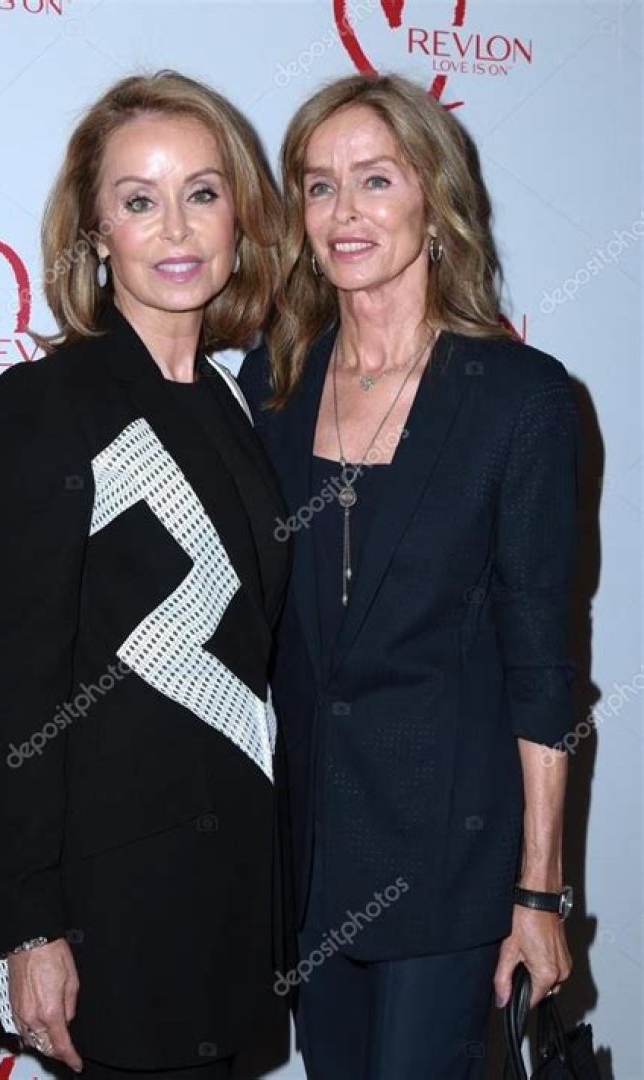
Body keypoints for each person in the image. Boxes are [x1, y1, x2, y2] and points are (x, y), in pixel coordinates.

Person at [238, 73, 579, 1079]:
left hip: (450, 862)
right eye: (320, 185)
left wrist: (539, 893)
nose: (344, 212)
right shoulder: (274, 382)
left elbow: (541, 668)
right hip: (310, 857)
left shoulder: (518, 397)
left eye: (375, 179)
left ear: (434, 199)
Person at [0, 71, 293, 1080]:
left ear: (239, 216)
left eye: (203, 193)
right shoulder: (49, 403)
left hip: (234, 893)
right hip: (113, 907)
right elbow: (22, 688)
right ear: (96, 232)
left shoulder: (240, 405)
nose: (177, 228)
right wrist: (26, 925)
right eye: (140, 200)